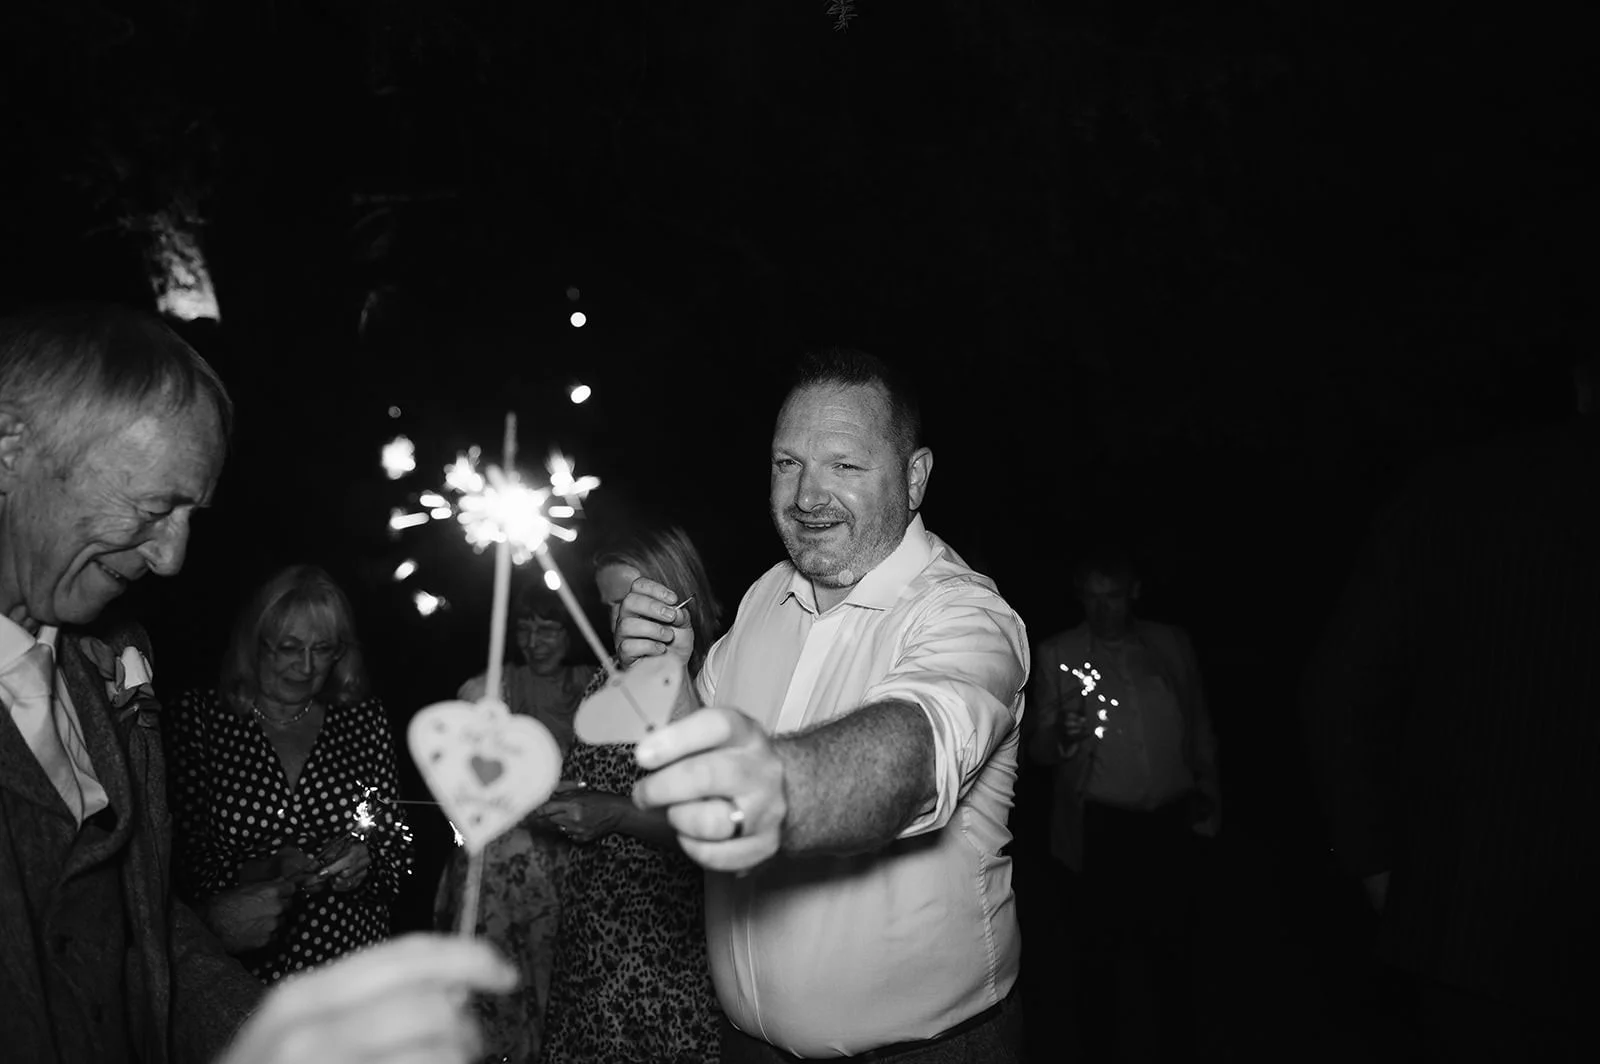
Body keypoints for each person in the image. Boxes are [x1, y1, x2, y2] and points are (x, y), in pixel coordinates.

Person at [0, 302, 519, 1064]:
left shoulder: (108, 658)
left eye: (189, 515)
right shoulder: (197, 714)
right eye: (153, 507)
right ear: (9, 448)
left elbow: (144, 920)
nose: (172, 557)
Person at [620, 348, 1030, 1061]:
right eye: (788, 463)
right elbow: (703, 765)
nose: (808, 496)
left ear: (914, 475)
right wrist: (664, 674)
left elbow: (921, 750)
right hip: (746, 1044)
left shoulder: (968, 616)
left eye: (845, 466)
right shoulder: (762, 598)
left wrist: (779, 786)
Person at [1300, 349, 1600, 1062]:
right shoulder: (1460, 492)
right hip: (1476, 928)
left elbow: (1335, 689)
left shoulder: (1456, 490)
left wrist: (1375, 865)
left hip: (1471, 922)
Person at [169, 564, 413, 983]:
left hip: (348, 966)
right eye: (289, 647)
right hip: (241, 974)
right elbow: (177, 864)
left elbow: (396, 850)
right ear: (256, 643)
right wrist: (266, 868)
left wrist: (363, 864)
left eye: (322, 649)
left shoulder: (362, 719)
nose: (305, 667)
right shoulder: (200, 717)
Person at [537, 524, 723, 1064]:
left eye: (630, 600)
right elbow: (599, 776)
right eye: (608, 604)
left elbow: (723, 824)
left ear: (675, 593)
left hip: (667, 954)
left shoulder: (710, 675)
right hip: (593, 941)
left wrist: (616, 814)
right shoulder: (605, 677)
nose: (618, 621)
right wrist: (567, 795)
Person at [1025, 547, 1219, 1063]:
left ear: (1134, 593)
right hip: (1103, 828)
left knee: (1175, 956)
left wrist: (1211, 796)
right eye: (1090, 598)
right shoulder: (1058, 653)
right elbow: (1038, 750)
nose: (1101, 610)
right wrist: (1060, 738)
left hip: (1170, 822)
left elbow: (1198, 723)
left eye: (1111, 597)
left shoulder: (1170, 644)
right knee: (1097, 961)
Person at [434, 583, 599, 1064]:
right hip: (497, 878)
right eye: (525, 628)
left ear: (571, 632)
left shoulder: (596, 687)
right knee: (494, 992)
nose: (535, 640)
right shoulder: (488, 690)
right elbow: (458, 788)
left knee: (560, 993)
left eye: (549, 628)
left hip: (573, 869)